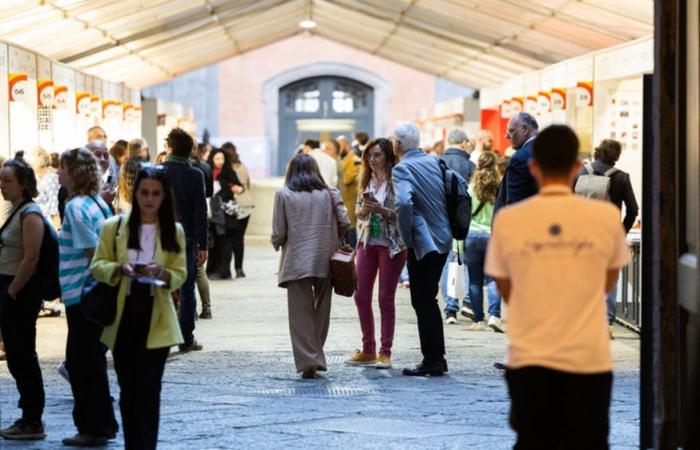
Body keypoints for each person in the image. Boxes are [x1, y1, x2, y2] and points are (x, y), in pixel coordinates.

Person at [485, 125, 630, 449]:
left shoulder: (509, 220)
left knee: (533, 440)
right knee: (589, 441)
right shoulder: (605, 218)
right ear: (576, 167)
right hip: (588, 356)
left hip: (530, 353)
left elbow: (504, 286)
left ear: (533, 167)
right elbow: (608, 281)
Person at [91, 166, 187, 450]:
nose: (149, 199)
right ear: (136, 193)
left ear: (164, 197)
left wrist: (163, 273)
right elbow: (98, 265)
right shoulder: (115, 227)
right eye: (144, 192)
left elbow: (180, 272)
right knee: (128, 389)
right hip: (123, 316)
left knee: (149, 389)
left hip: (155, 315)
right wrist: (120, 269)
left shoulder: (173, 231)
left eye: (156, 193)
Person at [57, 148, 118, 447]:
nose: (58, 173)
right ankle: (104, 422)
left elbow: (93, 252)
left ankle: (91, 427)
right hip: (93, 294)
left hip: (82, 294)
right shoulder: (98, 203)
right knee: (92, 364)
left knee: (81, 366)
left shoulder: (75, 207)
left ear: (75, 172)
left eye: (63, 168)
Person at [271, 154, 349, 379]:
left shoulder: (283, 195)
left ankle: (309, 360)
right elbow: (344, 222)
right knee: (321, 310)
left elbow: (279, 232)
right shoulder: (331, 193)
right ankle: (316, 354)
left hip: (297, 260)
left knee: (300, 314)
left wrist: (276, 243)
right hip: (327, 259)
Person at [391, 122, 452, 377]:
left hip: (424, 242)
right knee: (429, 298)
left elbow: (404, 202)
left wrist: (406, 238)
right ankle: (438, 356)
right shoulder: (434, 161)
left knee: (422, 300)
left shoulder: (402, 168)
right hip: (443, 237)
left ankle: (433, 360)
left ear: (397, 144)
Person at [346, 138, 406, 369]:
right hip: (367, 242)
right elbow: (358, 214)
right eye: (369, 155)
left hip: (393, 244)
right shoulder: (366, 179)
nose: (372, 159)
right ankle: (368, 348)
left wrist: (383, 210)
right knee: (360, 295)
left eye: (378, 154)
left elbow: (406, 212)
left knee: (385, 298)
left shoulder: (398, 179)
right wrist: (364, 210)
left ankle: (385, 351)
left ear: (388, 156)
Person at [0, 159, 47, 440]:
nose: (2, 185)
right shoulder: (15, 210)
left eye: (7, 180)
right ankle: (28, 415)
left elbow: (31, 258)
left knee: (22, 356)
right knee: (16, 357)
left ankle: (33, 419)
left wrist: (12, 291)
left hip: (19, 291)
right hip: (10, 287)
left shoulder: (30, 214)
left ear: (24, 183)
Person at [575, 139, 639, 337]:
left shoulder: (580, 173)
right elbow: (633, 210)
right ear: (616, 156)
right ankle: (606, 322)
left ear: (597, 152)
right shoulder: (621, 178)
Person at [161, 128, 208, 353]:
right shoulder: (194, 174)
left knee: (160, 285)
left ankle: (161, 335)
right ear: (190, 149)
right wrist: (204, 244)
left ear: (169, 147)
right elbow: (200, 211)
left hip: (159, 237)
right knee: (187, 288)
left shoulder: (156, 171)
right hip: (187, 238)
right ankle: (186, 338)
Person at [439, 129, 476, 323]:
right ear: (463, 143)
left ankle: (450, 308)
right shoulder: (471, 166)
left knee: (447, 263)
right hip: (464, 221)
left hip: (441, 222)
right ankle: (468, 302)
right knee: (467, 262)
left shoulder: (437, 162)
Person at [463, 151, 503, 332]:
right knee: (493, 279)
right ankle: (494, 315)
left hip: (472, 236)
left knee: (474, 280)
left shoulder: (471, 188)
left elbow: (465, 213)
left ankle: (478, 319)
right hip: (493, 236)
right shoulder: (499, 187)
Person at [206, 148, 244, 280]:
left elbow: (239, 187)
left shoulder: (229, 172)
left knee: (225, 242)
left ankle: (224, 271)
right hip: (212, 212)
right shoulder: (207, 171)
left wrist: (234, 188)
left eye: (222, 158)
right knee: (213, 242)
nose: (220, 161)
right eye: (217, 159)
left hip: (226, 213)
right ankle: (212, 269)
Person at [494, 112, 539, 213]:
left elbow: (514, 205)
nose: (507, 136)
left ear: (524, 129)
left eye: (511, 131)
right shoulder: (553, 151)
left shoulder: (519, 158)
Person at [191, 143, 213, 318]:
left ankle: (190, 309)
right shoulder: (204, 167)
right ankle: (206, 307)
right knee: (199, 269)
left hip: (183, 226)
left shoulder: (177, 169)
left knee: (188, 271)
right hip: (200, 216)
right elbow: (210, 192)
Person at [230, 143, 254, 279]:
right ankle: (239, 269)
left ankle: (230, 268)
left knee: (231, 239)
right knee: (239, 239)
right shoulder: (242, 166)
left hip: (234, 204)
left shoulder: (228, 169)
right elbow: (248, 184)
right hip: (247, 203)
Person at [338, 135, 361, 248]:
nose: (338, 149)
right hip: (342, 203)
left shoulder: (355, 160)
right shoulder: (342, 160)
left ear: (346, 146)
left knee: (351, 235)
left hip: (350, 203)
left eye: (340, 146)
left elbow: (346, 179)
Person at [33, 147, 60, 229]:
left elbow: (55, 206)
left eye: (31, 161)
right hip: (40, 223)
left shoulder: (50, 177)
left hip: (49, 224)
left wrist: (57, 230)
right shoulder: (40, 176)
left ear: (39, 161)